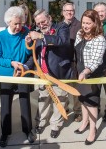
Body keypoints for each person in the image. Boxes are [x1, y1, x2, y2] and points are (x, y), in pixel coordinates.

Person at [0, 6, 35, 147]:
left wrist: (28, 45)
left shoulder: (26, 32)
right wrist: (11, 63)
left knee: (25, 102)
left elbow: (29, 54)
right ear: (8, 22)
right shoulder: (1, 36)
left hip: (22, 74)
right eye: (15, 23)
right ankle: (5, 133)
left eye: (21, 23)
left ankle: (28, 130)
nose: (19, 26)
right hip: (7, 75)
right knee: (5, 105)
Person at [25, 9, 71, 139]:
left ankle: (55, 125)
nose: (41, 25)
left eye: (43, 21)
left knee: (59, 101)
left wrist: (40, 36)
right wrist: (25, 66)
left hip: (59, 73)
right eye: (38, 23)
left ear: (49, 18)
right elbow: (34, 55)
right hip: (43, 74)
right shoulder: (37, 33)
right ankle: (41, 122)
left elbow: (62, 41)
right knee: (43, 100)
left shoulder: (61, 27)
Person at [74, 9, 106, 145]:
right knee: (82, 99)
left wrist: (85, 72)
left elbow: (97, 60)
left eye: (88, 23)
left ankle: (92, 130)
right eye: (83, 23)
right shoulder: (79, 34)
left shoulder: (99, 39)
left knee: (91, 103)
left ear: (95, 23)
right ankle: (84, 122)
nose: (85, 26)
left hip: (92, 75)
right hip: (80, 73)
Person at [61, 2, 82, 122]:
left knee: (76, 90)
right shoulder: (59, 26)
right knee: (64, 88)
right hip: (63, 63)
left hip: (75, 62)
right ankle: (65, 108)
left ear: (74, 12)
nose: (69, 13)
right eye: (67, 11)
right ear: (63, 12)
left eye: (71, 11)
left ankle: (78, 111)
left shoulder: (79, 25)